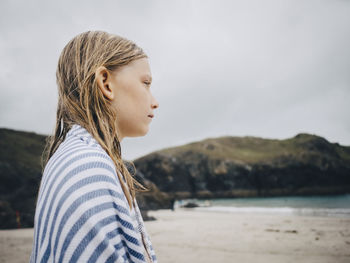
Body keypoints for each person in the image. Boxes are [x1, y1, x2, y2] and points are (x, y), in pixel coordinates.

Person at [30, 31, 159, 263]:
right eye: (146, 83)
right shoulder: (88, 169)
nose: (154, 101)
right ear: (106, 83)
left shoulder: (73, 156)